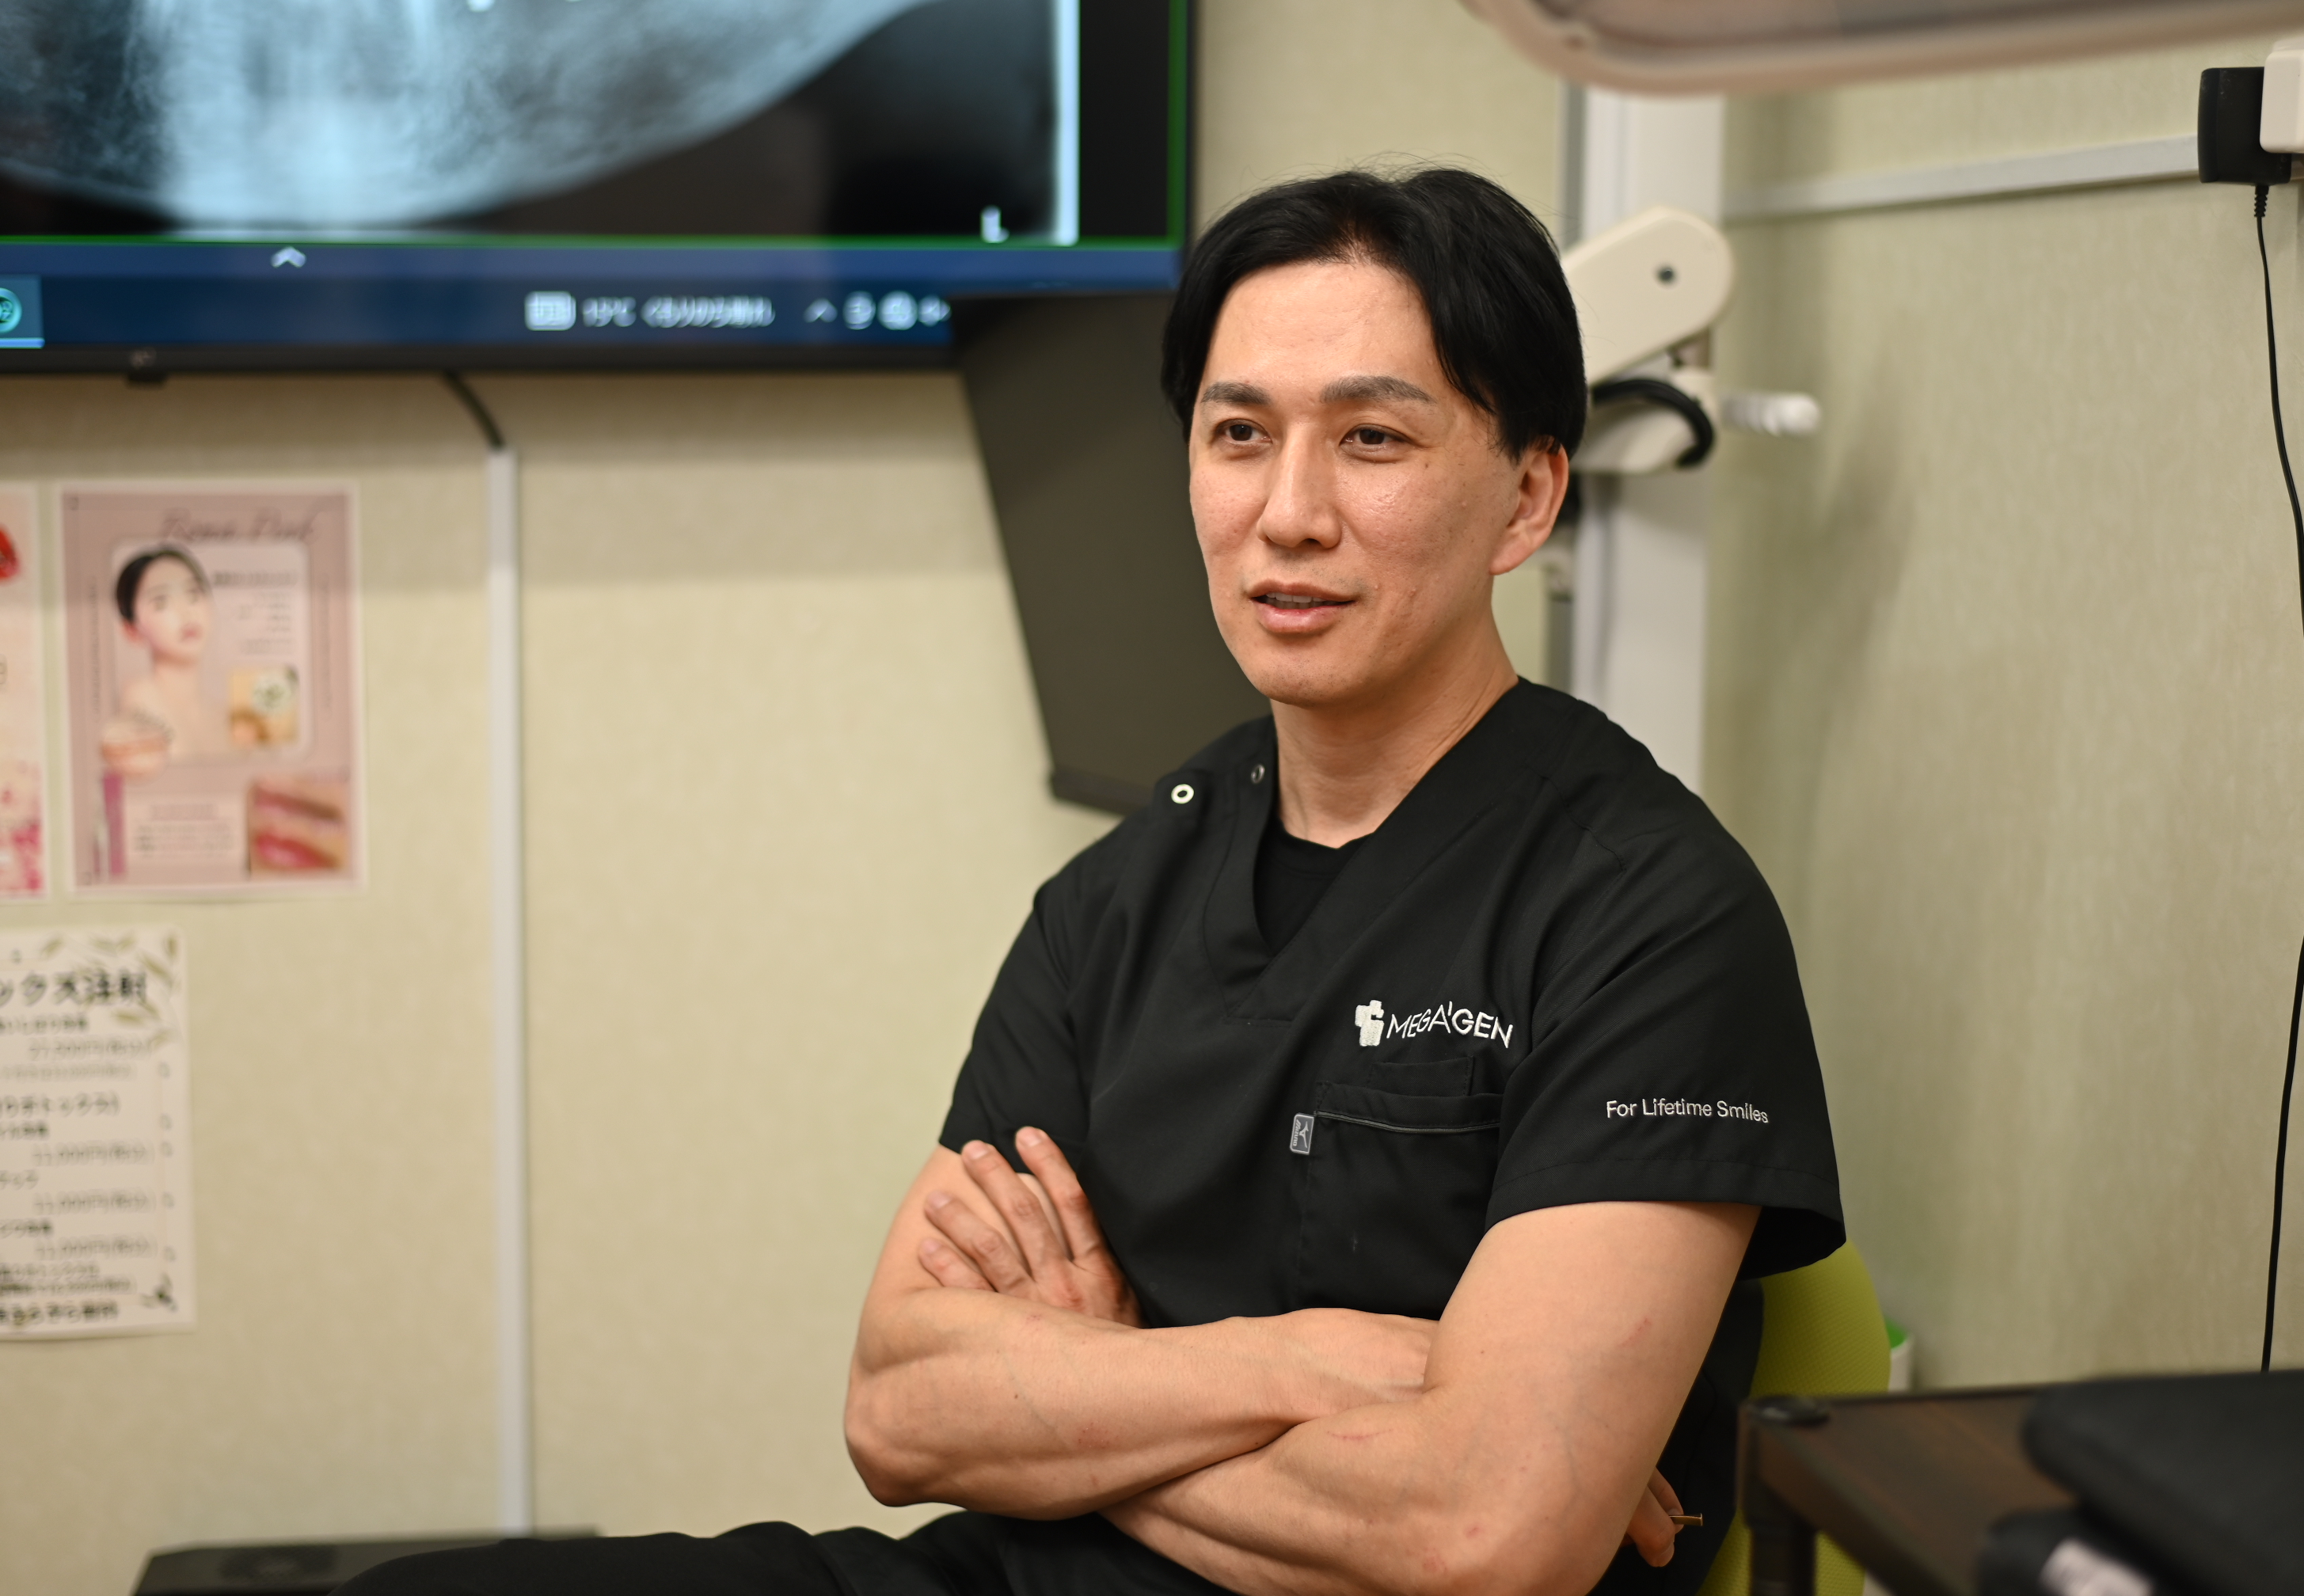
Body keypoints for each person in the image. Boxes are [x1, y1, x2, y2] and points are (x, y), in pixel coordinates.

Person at [344, 166, 1842, 1596]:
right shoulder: (1118, 898)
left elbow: (1478, 1533)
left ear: (1526, 498)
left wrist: (1076, 1409)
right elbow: (899, 1413)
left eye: (1372, 440)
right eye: (1237, 433)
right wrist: (1314, 1363)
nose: (1288, 511)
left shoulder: (1648, 916)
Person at [103, 545, 226, 775]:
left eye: (193, 594)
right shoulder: (140, 698)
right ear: (131, 630)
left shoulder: (223, 715)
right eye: (162, 602)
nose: (186, 612)